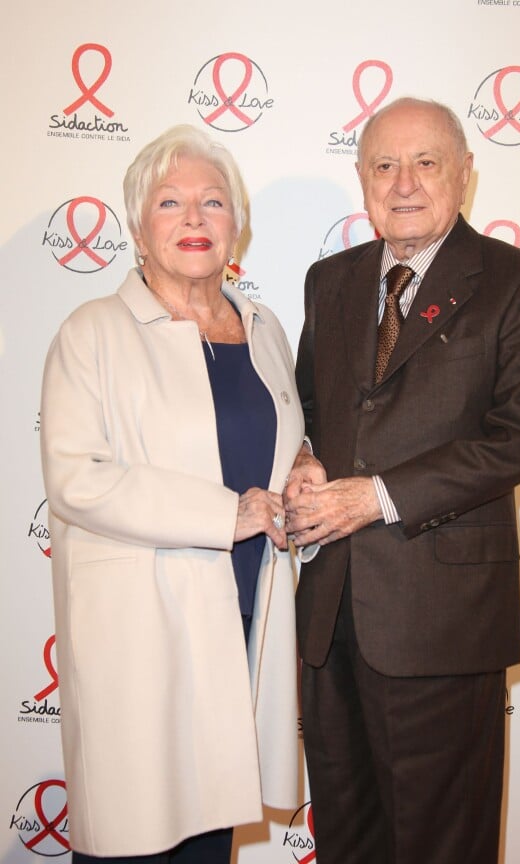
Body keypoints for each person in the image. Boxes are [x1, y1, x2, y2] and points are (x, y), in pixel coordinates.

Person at [285, 97, 520, 864]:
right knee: (349, 839)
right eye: (384, 165)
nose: (403, 183)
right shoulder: (328, 281)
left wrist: (372, 496)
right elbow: (307, 404)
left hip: (443, 625)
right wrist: (306, 456)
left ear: (466, 175)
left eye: (426, 162)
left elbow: (519, 440)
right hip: (329, 617)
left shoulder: (519, 281)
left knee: (442, 847)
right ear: (362, 178)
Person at [40, 125, 304, 864]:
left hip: (243, 623)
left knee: (209, 837)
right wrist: (230, 513)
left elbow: (280, 436)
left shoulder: (266, 330)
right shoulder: (92, 332)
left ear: (236, 225)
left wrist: (306, 458)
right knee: (137, 837)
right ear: (137, 228)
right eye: (171, 203)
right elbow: (76, 477)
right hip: (142, 639)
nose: (194, 219)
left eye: (212, 202)